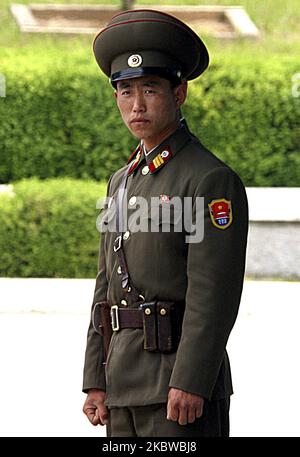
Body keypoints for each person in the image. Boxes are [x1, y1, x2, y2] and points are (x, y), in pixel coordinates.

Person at [82, 9, 248, 437]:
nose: (136, 105)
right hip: (122, 383)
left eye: (150, 89)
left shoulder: (209, 179)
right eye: (125, 91)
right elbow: (106, 285)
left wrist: (191, 380)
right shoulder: (121, 181)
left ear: (180, 93)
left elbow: (214, 292)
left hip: (178, 387)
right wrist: (95, 379)